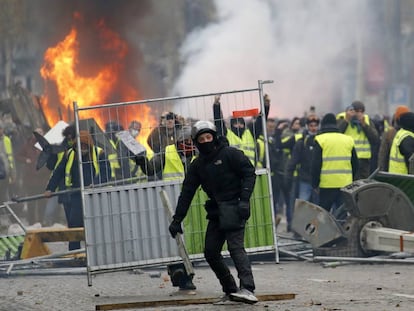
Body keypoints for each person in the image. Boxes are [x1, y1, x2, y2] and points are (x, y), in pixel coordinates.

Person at [168, 120, 258, 304]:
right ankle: (231, 290)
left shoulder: (230, 154)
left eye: (209, 137)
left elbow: (249, 173)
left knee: (235, 248)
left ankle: (247, 288)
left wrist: (244, 199)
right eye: (202, 139)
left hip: (235, 207)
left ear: (215, 137)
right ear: (196, 142)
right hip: (217, 212)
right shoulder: (197, 165)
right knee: (210, 252)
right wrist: (177, 220)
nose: (206, 141)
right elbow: (187, 193)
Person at [44, 130, 111, 250]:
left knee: (95, 227)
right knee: (74, 227)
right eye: (80, 146)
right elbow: (58, 172)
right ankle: (74, 254)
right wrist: (50, 188)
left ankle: (95, 254)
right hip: (76, 196)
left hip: (94, 196)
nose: (83, 149)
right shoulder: (70, 154)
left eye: (85, 146)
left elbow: (106, 173)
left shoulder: (99, 153)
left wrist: (95, 184)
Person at [311, 113, 358, 215]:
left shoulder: (320, 139)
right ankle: (341, 231)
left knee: (324, 216)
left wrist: (315, 184)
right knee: (342, 215)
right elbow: (355, 163)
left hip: (326, 185)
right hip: (345, 184)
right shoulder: (348, 139)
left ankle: (325, 232)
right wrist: (351, 179)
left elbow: (315, 164)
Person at [213, 94, 270, 166]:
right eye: (236, 123)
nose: (239, 125)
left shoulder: (251, 133)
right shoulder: (226, 134)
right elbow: (218, 122)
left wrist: (266, 106)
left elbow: (260, 121)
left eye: (241, 123)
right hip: (233, 171)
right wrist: (216, 105)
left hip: (249, 170)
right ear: (231, 125)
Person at [337, 101, 379, 179]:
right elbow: (336, 133)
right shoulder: (343, 118)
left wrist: (364, 125)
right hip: (347, 158)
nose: (359, 114)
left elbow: (375, 138)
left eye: (361, 112)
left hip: (363, 160)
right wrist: (346, 121)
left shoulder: (366, 120)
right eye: (357, 111)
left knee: (362, 185)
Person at [286, 114, 320, 205]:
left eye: (315, 126)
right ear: (307, 126)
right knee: (303, 205)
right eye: (311, 126)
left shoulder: (322, 141)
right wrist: (288, 178)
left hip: (320, 180)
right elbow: (293, 161)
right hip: (305, 179)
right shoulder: (301, 142)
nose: (313, 128)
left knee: (319, 207)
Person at [377, 105, 410, 171]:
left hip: (392, 174)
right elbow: (383, 157)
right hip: (402, 174)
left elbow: (382, 157)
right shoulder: (390, 133)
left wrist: (382, 172)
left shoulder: (389, 133)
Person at [0, 120, 16, 204]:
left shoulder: (7, 140)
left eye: (0, 128)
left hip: (6, 173)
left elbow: (11, 158)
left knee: (5, 194)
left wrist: (13, 173)